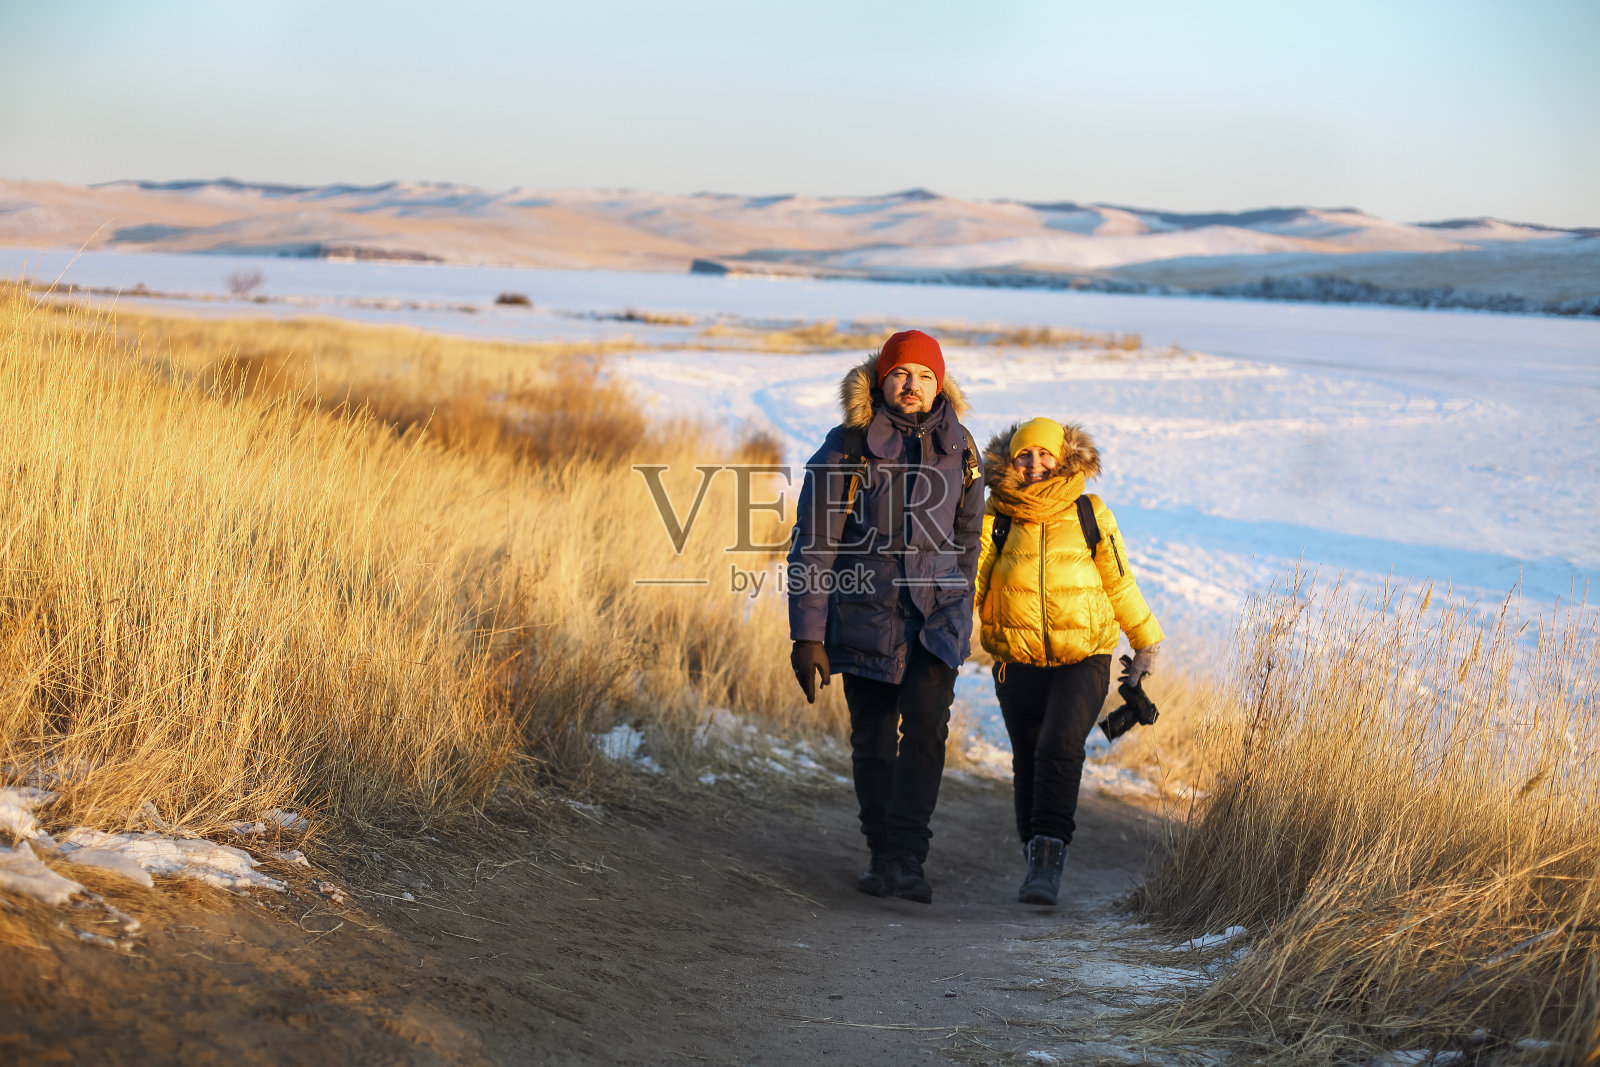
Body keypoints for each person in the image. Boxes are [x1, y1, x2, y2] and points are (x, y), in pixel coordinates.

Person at [787, 330, 984, 904]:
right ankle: (880, 853)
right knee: (873, 741)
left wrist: (959, 596)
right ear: (881, 377)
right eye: (902, 373)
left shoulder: (961, 447)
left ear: (939, 382)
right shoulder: (847, 446)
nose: (913, 384)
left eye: (925, 375)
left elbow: (968, 535)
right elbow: (814, 543)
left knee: (926, 731)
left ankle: (907, 857)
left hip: (936, 620)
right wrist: (807, 637)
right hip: (866, 615)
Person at [974, 417, 1163, 906]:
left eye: (1044, 454)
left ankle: (1047, 863)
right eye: (1024, 455)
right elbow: (972, 583)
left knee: (1060, 745)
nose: (1034, 464)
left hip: (1085, 656)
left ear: (1062, 458)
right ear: (1010, 461)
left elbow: (1119, 580)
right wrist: (943, 635)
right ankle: (1033, 851)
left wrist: (1145, 644)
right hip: (1016, 659)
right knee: (1029, 757)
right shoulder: (996, 514)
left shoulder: (1089, 512)